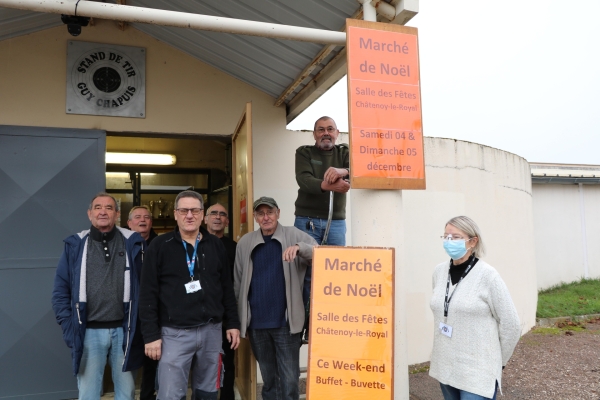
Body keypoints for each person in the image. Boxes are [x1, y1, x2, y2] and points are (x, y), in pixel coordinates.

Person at [139, 190, 240, 400]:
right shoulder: (160, 246)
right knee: (171, 395)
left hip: (211, 332)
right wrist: (151, 336)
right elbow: (148, 293)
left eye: (194, 210)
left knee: (207, 393)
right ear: (176, 214)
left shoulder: (215, 245)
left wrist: (232, 323)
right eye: (184, 210)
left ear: (202, 214)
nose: (189, 215)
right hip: (174, 334)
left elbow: (226, 288)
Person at [51, 193, 145, 400]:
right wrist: (70, 327)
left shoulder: (132, 243)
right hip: (89, 333)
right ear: (90, 213)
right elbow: (60, 291)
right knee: (89, 394)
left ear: (117, 214)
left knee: (127, 393)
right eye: (98, 207)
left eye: (109, 208)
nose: (103, 211)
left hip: (125, 331)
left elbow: (145, 289)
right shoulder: (75, 245)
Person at [429, 216, 521, 400]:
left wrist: (498, 361)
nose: (449, 241)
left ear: (473, 241)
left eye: (455, 237)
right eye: (446, 236)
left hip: (478, 371)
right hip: (445, 365)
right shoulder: (439, 272)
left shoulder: (488, 276)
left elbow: (511, 324)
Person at [234, 196, 317, 400]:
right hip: (257, 325)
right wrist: (241, 321)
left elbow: (319, 253)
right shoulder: (245, 242)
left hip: (286, 324)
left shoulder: (293, 234)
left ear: (278, 213)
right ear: (255, 217)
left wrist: (299, 247)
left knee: (289, 380)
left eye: (269, 212)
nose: (266, 217)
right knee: (269, 380)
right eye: (260, 213)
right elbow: (237, 284)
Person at [293, 116, 350, 246]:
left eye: (330, 129)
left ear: (337, 133)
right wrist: (330, 186)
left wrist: (344, 171)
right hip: (306, 220)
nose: (326, 133)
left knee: (336, 263)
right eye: (321, 130)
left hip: (336, 222)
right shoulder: (304, 152)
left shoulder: (344, 152)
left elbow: (359, 171)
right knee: (306, 263)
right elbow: (304, 180)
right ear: (314, 134)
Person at [204, 203, 237, 400]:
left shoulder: (234, 247)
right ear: (205, 218)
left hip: (226, 317)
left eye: (222, 214)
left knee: (227, 363)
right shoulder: (194, 243)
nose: (217, 217)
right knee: (200, 365)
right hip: (198, 317)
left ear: (227, 221)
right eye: (213, 213)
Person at [126, 205, 158, 400]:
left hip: (155, 313)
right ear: (129, 223)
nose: (142, 220)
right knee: (129, 358)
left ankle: (148, 395)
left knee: (153, 360)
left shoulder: (161, 244)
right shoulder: (122, 245)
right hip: (129, 314)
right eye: (137, 217)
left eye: (146, 217)